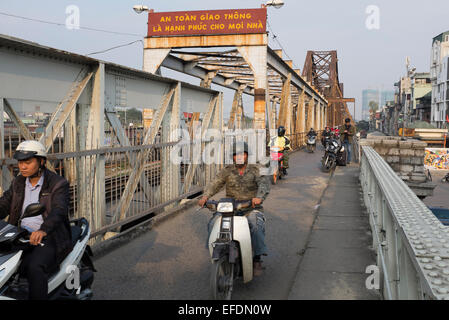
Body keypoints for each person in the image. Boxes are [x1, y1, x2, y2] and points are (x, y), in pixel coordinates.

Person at [0, 140, 72, 300]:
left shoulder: (58, 184)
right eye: (20, 162)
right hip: (19, 235)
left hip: (48, 237)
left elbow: (58, 211)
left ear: (41, 161)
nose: (22, 166)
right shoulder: (18, 182)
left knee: (35, 267)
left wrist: (43, 230)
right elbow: (4, 204)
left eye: (27, 162)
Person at [198, 142, 270, 276]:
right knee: (213, 223)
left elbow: (263, 184)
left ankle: (257, 258)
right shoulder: (228, 170)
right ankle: (214, 250)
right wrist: (205, 196)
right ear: (233, 157)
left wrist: (259, 198)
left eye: (242, 154)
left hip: (250, 207)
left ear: (247, 156)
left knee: (255, 225)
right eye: (237, 155)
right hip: (230, 207)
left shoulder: (256, 169)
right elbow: (216, 183)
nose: (240, 157)